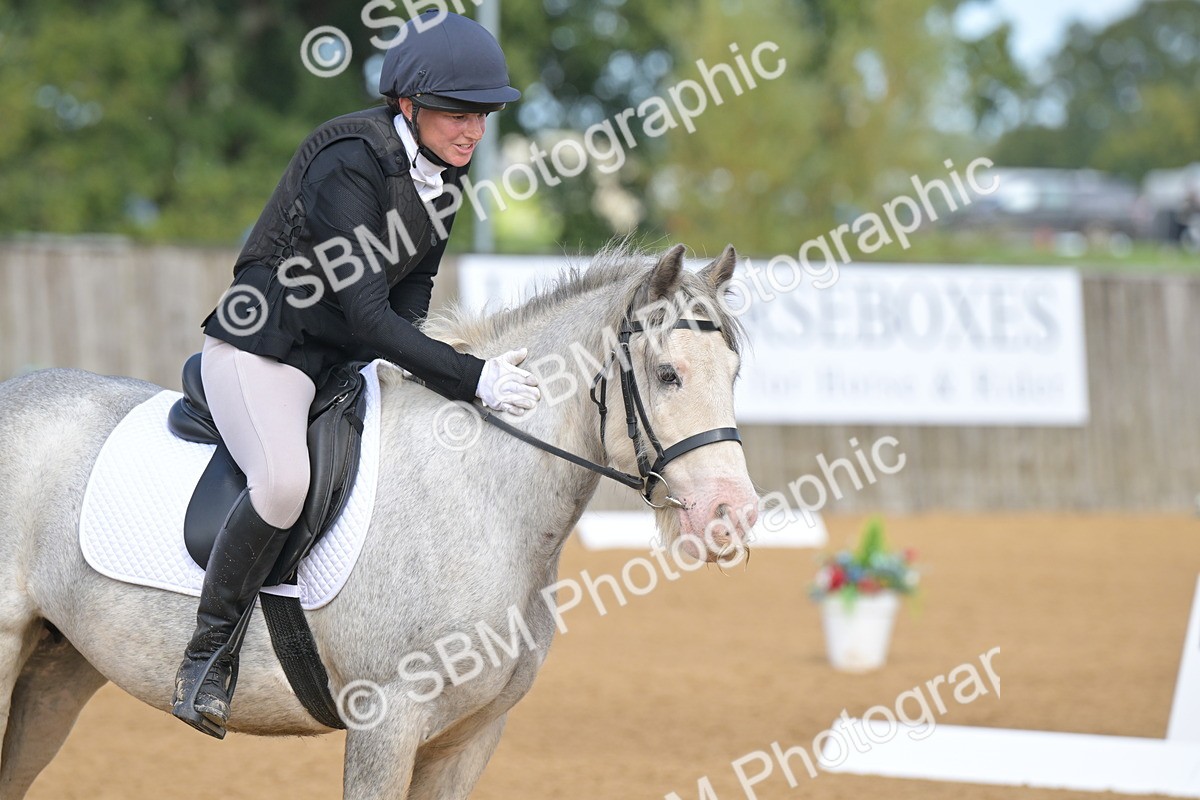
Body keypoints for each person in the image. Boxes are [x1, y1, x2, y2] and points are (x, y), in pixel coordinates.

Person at [171, 11, 541, 738]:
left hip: (338, 357)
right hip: (264, 348)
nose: (474, 130)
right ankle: (206, 657)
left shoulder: (444, 182)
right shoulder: (348, 159)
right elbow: (373, 318)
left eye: (485, 115)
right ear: (409, 105)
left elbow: (410, 305)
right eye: (459, 113)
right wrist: (473, 377)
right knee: (282, 484)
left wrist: (436, 378)